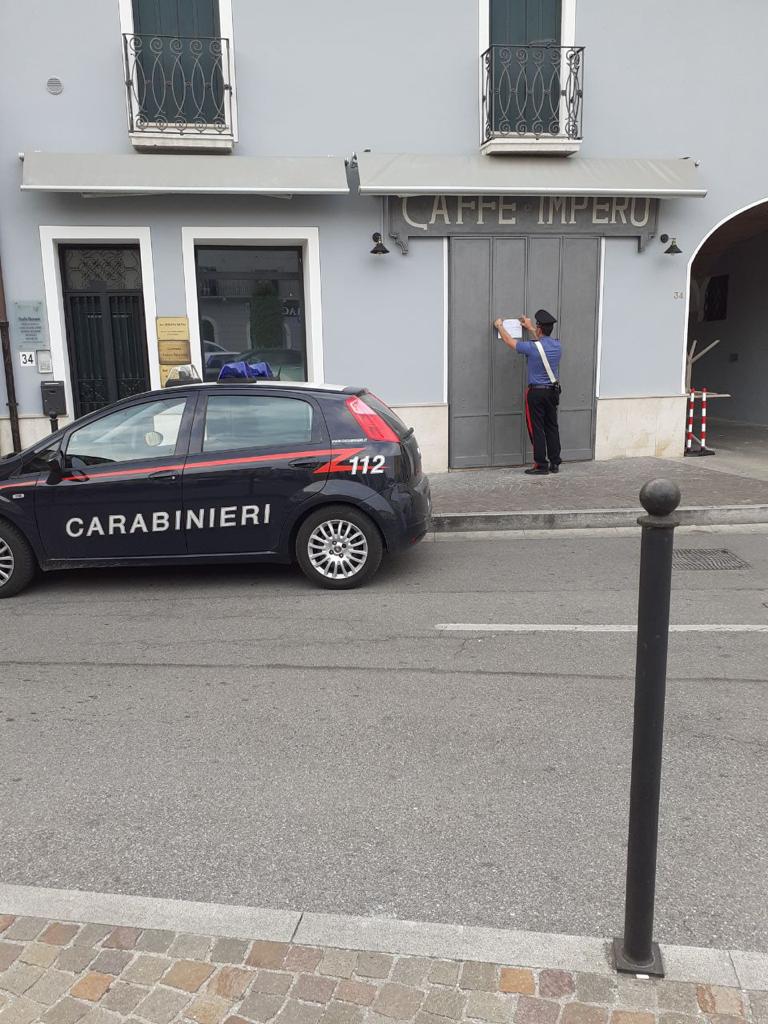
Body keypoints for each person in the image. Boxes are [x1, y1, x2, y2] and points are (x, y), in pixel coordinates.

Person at [494, 310, 562, 475]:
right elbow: (543, 343)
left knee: (537, 428)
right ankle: (554, 462)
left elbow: (510, 341)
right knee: (552, 426)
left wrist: (499, 326)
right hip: (552, 392)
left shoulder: (531, 347)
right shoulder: (558, 345)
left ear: (539, 329)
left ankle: (541, 465)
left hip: (536, 393)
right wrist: (532, 328)